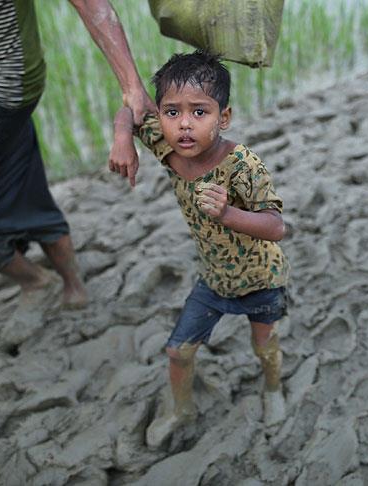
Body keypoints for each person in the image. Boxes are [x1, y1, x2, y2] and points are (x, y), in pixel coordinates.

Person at [0, 0, 155, 311]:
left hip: (0, 85)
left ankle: (37, 280)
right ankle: (72, 282)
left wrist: (132, 86)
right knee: (25, 186)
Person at [109, 50, 290, 447]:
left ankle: (273, 390)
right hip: (213, 280)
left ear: (223, 118)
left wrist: (228, 214)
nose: (185, 124)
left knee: (264, 344)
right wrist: (124, 136)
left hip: (261, 279)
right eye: (172, 112)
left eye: (200, 112)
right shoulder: (170, 148)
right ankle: (181, 408)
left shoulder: (244, 165)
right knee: (178, 351)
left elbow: (277, 226)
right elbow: (131, 112)